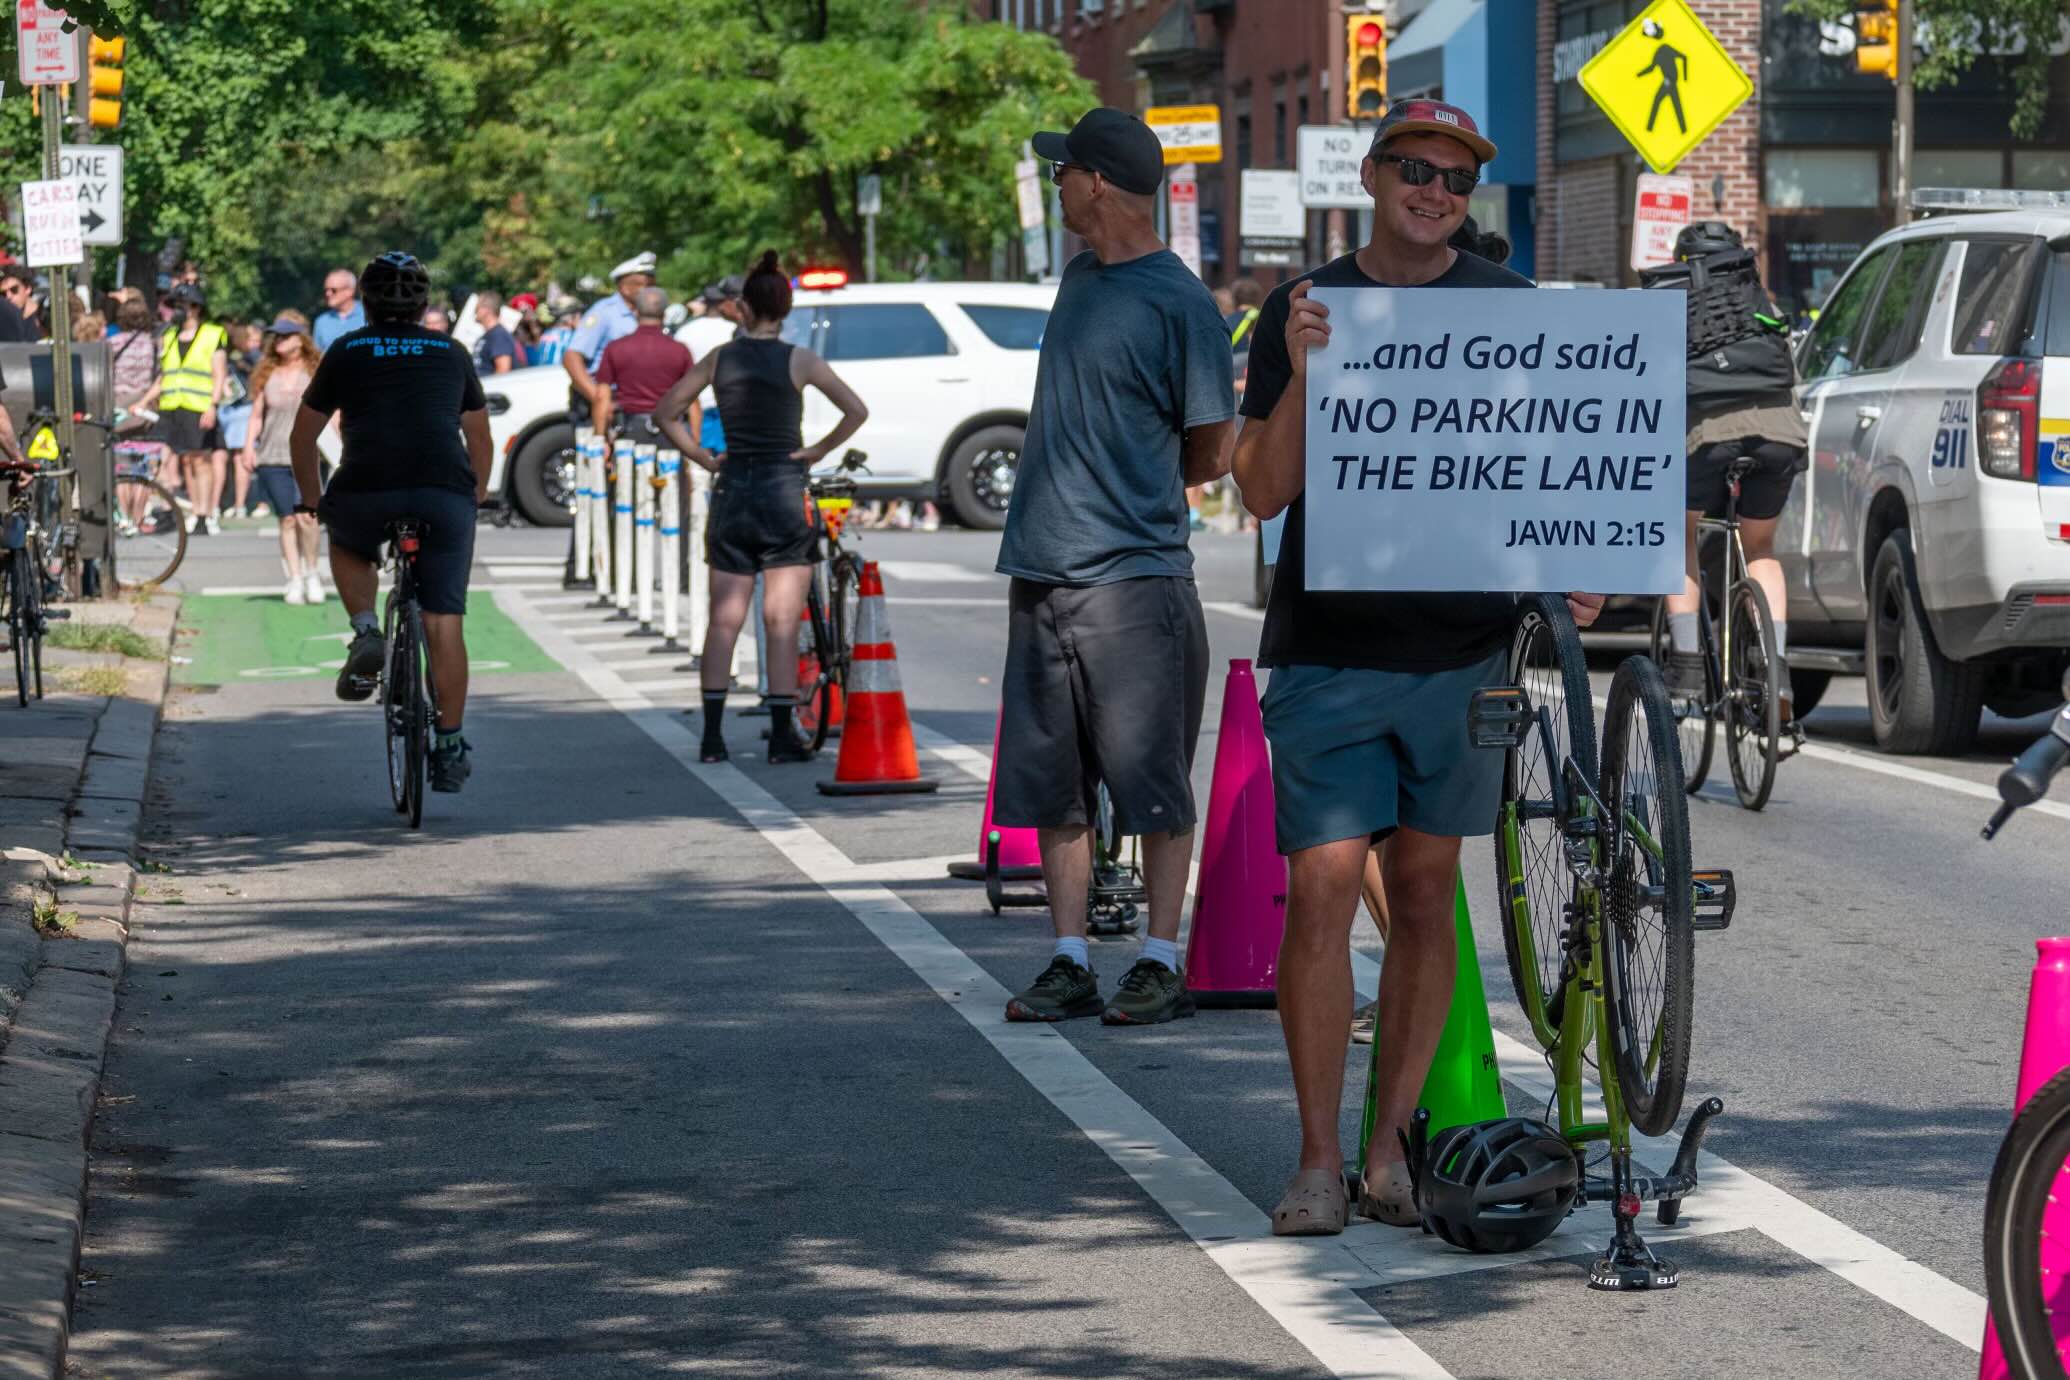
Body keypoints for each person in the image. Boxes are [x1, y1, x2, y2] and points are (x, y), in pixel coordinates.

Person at [1229, 99, 1605, 1237]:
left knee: (1430, 896)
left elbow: (1558, 456)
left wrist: (1582, 555)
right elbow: (1261, 490)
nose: (1435, 191)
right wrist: (1306, 372)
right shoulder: (1303, 308)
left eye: (1455, 177)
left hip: (1463, 653)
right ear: (1372, 175)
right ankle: (1314, 1159)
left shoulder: (1513, 311)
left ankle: (1387, 1150)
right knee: (1323, 889)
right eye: (1414, 168)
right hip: (1330, 650)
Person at [993, 107, 1235, 1029]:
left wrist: (1133, 488)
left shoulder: (1181, 303)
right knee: (1053, 784)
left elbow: (1213, 447)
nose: (1057, 183)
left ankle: (1159, 959)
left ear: (1097, 182)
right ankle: (1069, 957)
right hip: (1043, 570)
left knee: (1152, 783)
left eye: (1064, 171)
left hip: (1135, 579)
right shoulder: (1079, 278)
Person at [654, 250, 868, 766]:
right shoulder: (801, 360)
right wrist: (816, 450)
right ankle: (780, 736)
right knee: (781, 619)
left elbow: (666, 412)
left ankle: (712, 737)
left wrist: (704, 458)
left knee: (724, 619)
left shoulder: (720, 360)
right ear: (786, 310)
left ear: (744, 308)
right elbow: (855, 410)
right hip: (783, 491)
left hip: (733, 491)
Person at [288, 251, 492, 793]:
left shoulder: (346, 349)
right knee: (444, 622)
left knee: (347, 539)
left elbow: (303, 436)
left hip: (367, 486)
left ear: (367, 305)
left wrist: (312, 499)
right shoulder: (451, 352)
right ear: (424, 306)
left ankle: (365, 630)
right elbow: (479, 436)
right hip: (442, 491)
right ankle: (449, 745)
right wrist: (477, 493)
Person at [1656, 220, 1807, 719]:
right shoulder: (1763, 304)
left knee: (1677, 535)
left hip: (1707, 440)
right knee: (1760, 547)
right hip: (1780, 436)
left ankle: (1686, 669)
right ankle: (1775, 671)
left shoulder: (1673, 301)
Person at [242, 313, 326, 603]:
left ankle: (312, 572)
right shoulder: (266, 372)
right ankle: (294, 577)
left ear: (300, 340)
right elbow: (256, 415)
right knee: (287, 519)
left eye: (285, 336)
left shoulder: (316, 370)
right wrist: (248, 447)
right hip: (272, 455)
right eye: (276, 336)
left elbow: (333, 411)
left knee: (307, 517)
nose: (278, 341)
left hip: (309, 454)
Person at [157, 283, 229, 535]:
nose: (178, 310)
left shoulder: (213, 334)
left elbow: (219, 374)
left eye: (183, 305)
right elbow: (164, 374)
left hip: (199, 406)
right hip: (172, 405)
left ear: (196, 308)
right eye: (175, 305)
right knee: (186, 459)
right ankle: (194, 510)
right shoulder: (168, 336)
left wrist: (212, 406)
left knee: (201, 460)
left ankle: (204, 513)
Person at [589, 285, 694, 455]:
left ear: (636, 312)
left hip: (629, 433)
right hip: (671, 434)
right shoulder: (680, 350)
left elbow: (602, 397)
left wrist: (600, 439)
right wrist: (694, 444)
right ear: (664, 314)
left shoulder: (616, 348)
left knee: (626, 472)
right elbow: (692, 401)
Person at [565, 252, 655, 426]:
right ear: (624, 286)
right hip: (607, 402)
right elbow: (571, 358)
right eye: (642, 284)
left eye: (651, 285)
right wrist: (598, 399)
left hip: (636, 403)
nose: (649, 290)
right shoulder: (604, 312)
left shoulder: (646, 313)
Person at [677, 276, 746, 457]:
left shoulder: (685, 331)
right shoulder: (734, 329)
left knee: (704, 462)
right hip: (731, 408)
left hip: (697, 408)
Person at [220, 321, 261, 516]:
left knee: (239, 458)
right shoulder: (235, 356)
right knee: (233, 458)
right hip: (232, 409)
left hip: (240, 408)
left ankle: (239, 504)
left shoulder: (251, 357)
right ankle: (234, 503)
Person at [313, 267, 365, 350]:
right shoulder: (321, 322)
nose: (328, 294)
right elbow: (317, 355)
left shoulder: (370, 315)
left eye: (333, 290)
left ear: (349, 291)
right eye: (326, 290)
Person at [472, 291, 519, 375]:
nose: (475, 312)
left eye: (477, 308)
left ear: (487, 310)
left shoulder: (499, 335)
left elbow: (503, 371)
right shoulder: (486, 337)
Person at [0, 267, 34, 343]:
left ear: (27, 289)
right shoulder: (5, 324)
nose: (8, 296)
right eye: (3, 293)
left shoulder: (42, 319)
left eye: (14, 290)